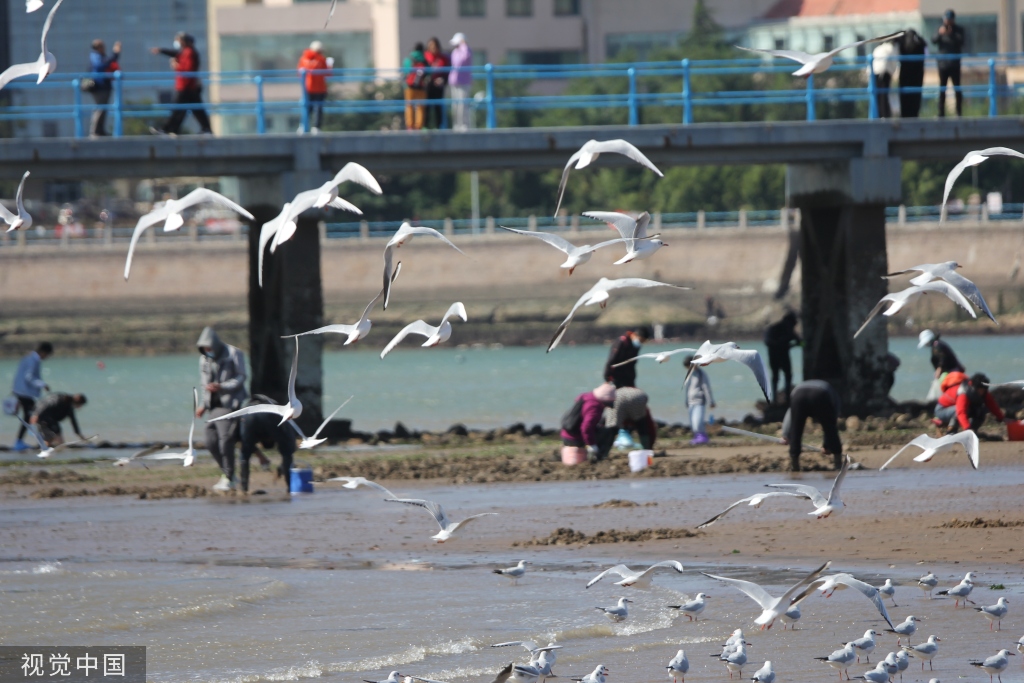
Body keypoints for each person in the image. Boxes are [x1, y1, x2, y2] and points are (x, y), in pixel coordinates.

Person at [196, 327, 248, 492]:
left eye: (209, 348)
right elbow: (205, 384)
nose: (208, 352)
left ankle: (229, 476)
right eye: (205, 349)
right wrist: (203, 405)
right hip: (214, 406)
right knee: (210, 440)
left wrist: (222, 386)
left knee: (225, 441)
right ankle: (228, 474)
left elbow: (241, 376)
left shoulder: (233, 353)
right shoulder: (204, 360)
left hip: (230, 404)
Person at [150, 33, 212, 135]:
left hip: (186, 86)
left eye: (178, 41)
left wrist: (176, 66)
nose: (177, 43)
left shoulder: (189, 52)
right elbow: (175, 53)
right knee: (195, 110)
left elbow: (188, 69)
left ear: (183, 42)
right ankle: (205, 129)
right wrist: (161, 51)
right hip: (188, 86)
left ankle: (166, 129)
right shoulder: (186, 52)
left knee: (178, 109)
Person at [781, 379, 843, 472]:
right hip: (820, 395)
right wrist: (827, 446)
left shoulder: (797, 389)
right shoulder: (833, 394)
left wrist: (786, 435)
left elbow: (791, 415)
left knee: (796, 430)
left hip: (798, 396)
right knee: (830, 428)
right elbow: (831, 422)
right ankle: (838, 464)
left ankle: (795, 466)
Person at [238, 396, 296, 494]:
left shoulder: (256, 435)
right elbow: (290, 443)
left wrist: (258, 455)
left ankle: (244, 489)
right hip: (270, 412)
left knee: (245, 454)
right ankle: (290, 487)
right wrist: (284, 464)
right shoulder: (276, 425)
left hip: (248, 413)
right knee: (287, 452)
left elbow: (242, 440)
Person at [934, 372, 1009, 433]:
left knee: (981, 410)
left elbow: (992, 405)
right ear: (974, 387)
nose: (982, 392)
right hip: (942, 410)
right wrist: (967, 428)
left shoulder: (984, 392)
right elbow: (961, 412)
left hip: (956, 409)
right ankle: (951, 432)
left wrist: (1002, 418)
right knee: (960, 410)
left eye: (984, 390)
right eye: (980, 390)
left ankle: (974, 431)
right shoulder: (963, 392)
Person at [10, 342, 52, 452]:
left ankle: (23, 441)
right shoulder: (34, 360)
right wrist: (43, 384)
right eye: (47, 355)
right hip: (25, 393)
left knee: (30, 417)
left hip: (21, 392)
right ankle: (19, 443)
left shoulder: (28, 357)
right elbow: (29, 377)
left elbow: (19, 375)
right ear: (44, 352)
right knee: (32, 416)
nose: (46, 358)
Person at [560, 382, 616, 463]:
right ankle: (599, 457)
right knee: (608, 432)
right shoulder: (594, 408)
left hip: (566, 434)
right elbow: (586, 428)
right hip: (575, 438)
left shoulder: (586, 397)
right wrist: (592, 445)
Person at [932, 10, 965, 117]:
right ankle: (941, 113)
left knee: (957, 89)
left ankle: (958, 112)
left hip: (954, 64)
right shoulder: (940, 29)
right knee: (942, 89)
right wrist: (940, 33)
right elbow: (933, 40)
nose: (948, 22)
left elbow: (962, 41)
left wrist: (951, 34)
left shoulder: (958, 30)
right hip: (943, 65)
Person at [764, 311, 801, 403]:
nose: (793, 326)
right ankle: (775, 399)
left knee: (787, 376)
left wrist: (796, 344)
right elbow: (767, 341)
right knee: (776, 377)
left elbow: (800, 342)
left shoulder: (789, 331)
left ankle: (786, 398)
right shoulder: (774, 329)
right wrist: (782, 344)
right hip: (775, 356)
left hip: (783, 357)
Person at [88, 39, 121, 137]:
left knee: (103, 109)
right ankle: (94, 132)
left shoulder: (101, 56)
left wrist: (115, 54)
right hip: (99, 86)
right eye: (101, 46)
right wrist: (115, 53)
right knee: (100, 108)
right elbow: (100, 65)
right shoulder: (95, 56)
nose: (103, 48)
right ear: (97, 48)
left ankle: (100, 130)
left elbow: (109, 62)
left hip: (105, 85)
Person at [297, 40, 332, 134]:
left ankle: (302, 126)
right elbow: (328, 74)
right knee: (318, 108)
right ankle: (316, 127)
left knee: (307, 108)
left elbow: (300, 73)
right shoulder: (321, 60)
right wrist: (330, 65)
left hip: (307, 88)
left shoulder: (303, 59)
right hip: (319, 88)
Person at [607, 386, 656, 450]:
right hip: (637, 395)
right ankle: (647, 449)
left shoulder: (616, 393)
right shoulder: (636, 391)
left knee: (611, 428)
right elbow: (649, 426)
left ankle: (603, 452)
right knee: (642, 426)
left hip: (618, 396)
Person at [683, 355, 715, 445]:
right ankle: (697, 437)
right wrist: (686, 400)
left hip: (699, 401)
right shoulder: (688, 375)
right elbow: (688, 389)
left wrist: (711, 401)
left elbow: (706, 388)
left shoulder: (701, 374)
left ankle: (703, 437)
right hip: (690, 402)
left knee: (698, 422)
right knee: (693, 423)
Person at [898, 29, 927, 118]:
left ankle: (904, 116)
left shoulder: (903, 41)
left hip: (905, 75)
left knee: (905, 98)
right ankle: (914, 115)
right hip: (917, 75)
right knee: (915, 98)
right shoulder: (920, 42)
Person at [448, 32, 473, 131]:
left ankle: (464, 124)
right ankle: (457, 124)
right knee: (456, 105)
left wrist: (464, 44)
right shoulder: (455, 52)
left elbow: (464, 59)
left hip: (464, 82)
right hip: (454, 81)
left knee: (463, 105)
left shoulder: (467, 51)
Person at [424, 37, 450, 129]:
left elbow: (447, 72)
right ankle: (425, 126)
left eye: (435, 46)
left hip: (439, 85)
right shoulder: (425, 56)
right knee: (426, 106)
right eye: (431, 46)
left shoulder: (443, 58)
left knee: (438, 107)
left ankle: (439, 126)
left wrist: (443, 79)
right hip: (427, 85)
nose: (433, 48)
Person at [403, 43, 428, 131]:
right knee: (420, 107)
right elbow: (428, 72)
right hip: (420, 86)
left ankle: (410, 126)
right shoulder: (424, 59)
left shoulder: (409, 59)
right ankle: (418, 126)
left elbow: (405, 71)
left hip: (409, 86)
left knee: (409, 106)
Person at [871, 38, 899, 118]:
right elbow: (894, 62)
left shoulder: (878, 48)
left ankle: (879, 115)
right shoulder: (891, 48)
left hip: (875, 72)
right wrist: (893, 73)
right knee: (884, 95)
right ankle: (885, 115)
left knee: (878, 95)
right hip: (885, 72)